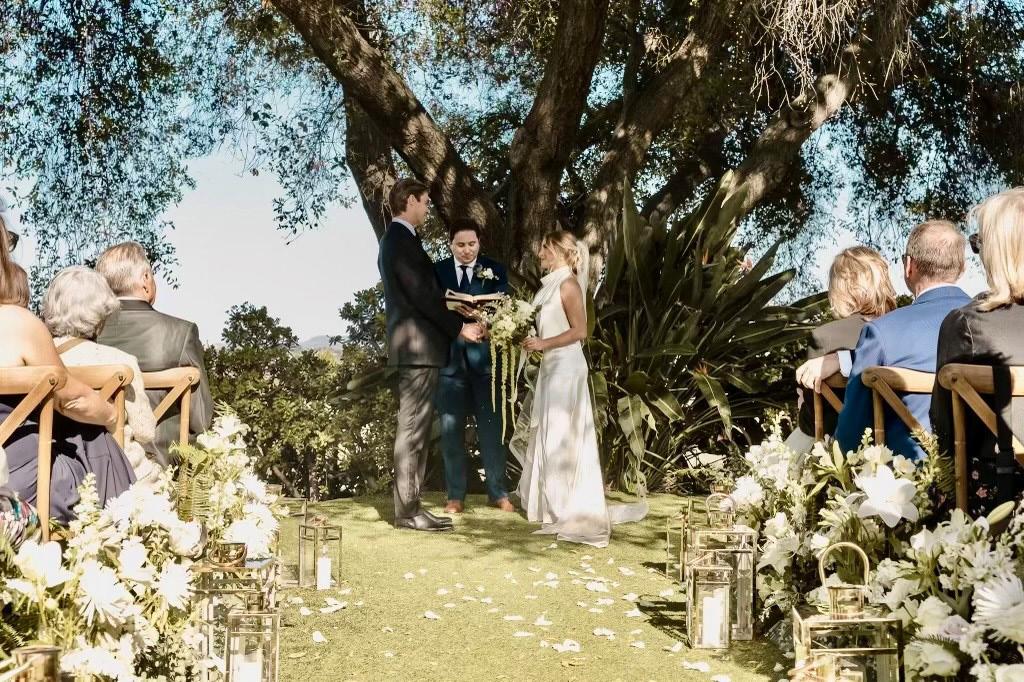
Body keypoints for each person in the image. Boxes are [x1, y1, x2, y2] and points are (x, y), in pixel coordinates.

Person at [512, 230, 647, 547]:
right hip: (551, 366)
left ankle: (564, 506)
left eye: (545, 249)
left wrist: (543, 343)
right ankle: (548, 504)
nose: (540, 254)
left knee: (561, 433)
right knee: (549, 431)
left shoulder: (568, 285)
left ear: (560, 251)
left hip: (567, 368)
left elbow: (580, 331)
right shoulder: (549, 285)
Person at [0, 219, 136, 523]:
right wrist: (112, 414)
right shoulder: (19, 324)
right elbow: (73, 400)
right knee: (92, 433)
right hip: (18, 490)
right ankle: (124, 533)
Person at [378, 178, 484, 532]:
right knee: (412, 430)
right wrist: (459, 327)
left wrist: (455, 307)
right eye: (424, 202)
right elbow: (421, 296)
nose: (427, 209)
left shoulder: (400, 240)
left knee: (417, 431)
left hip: (418, 350)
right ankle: (408, 512)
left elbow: (423, 293)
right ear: (410, 201)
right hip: (417, 350)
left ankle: (411, 507)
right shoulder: (399, 240)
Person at [835, 220, 971, 460]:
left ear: (909, 266)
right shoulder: (991, 325)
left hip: (909, 479)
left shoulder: (881, 332)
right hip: (985, 474)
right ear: (962, 268)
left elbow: (850, 438)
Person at [932, 188, 1024, 514]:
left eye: (979, 244)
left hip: (1001, 500)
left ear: (996, 252)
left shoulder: (966, 324)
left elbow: (946, 431)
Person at [41, 267, 162, 487]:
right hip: (121, 474)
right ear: (101, 312)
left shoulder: (39, 360)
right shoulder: (120, 361)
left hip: (54, 473)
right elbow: (145, 431)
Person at [95, 241, 213, 466]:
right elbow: (200, 420)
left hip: (98, 468)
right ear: (145, 280)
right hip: (162, 466)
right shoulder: (181, 333)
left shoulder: (88, 335)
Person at [434, 219, 514, 513]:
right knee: (451, 432)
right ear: (450, 245)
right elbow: (429, 310)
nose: (466, 250)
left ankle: (498, 492)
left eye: (472, 244)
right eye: (460, 245)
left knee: (492, 430)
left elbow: (507, 309)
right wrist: (457, 326)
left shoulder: (496, 269)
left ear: (479, 243)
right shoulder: (438, 271)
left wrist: (488, 323)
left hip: (486, 362)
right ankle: (455, 495)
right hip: (450, 363)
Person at [788, 247, 897, 452]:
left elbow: (816, 424)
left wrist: (804, 408)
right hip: (901, 447)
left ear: (839, 290)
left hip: (843, 450)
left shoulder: (825, 337)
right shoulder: (903, 331)